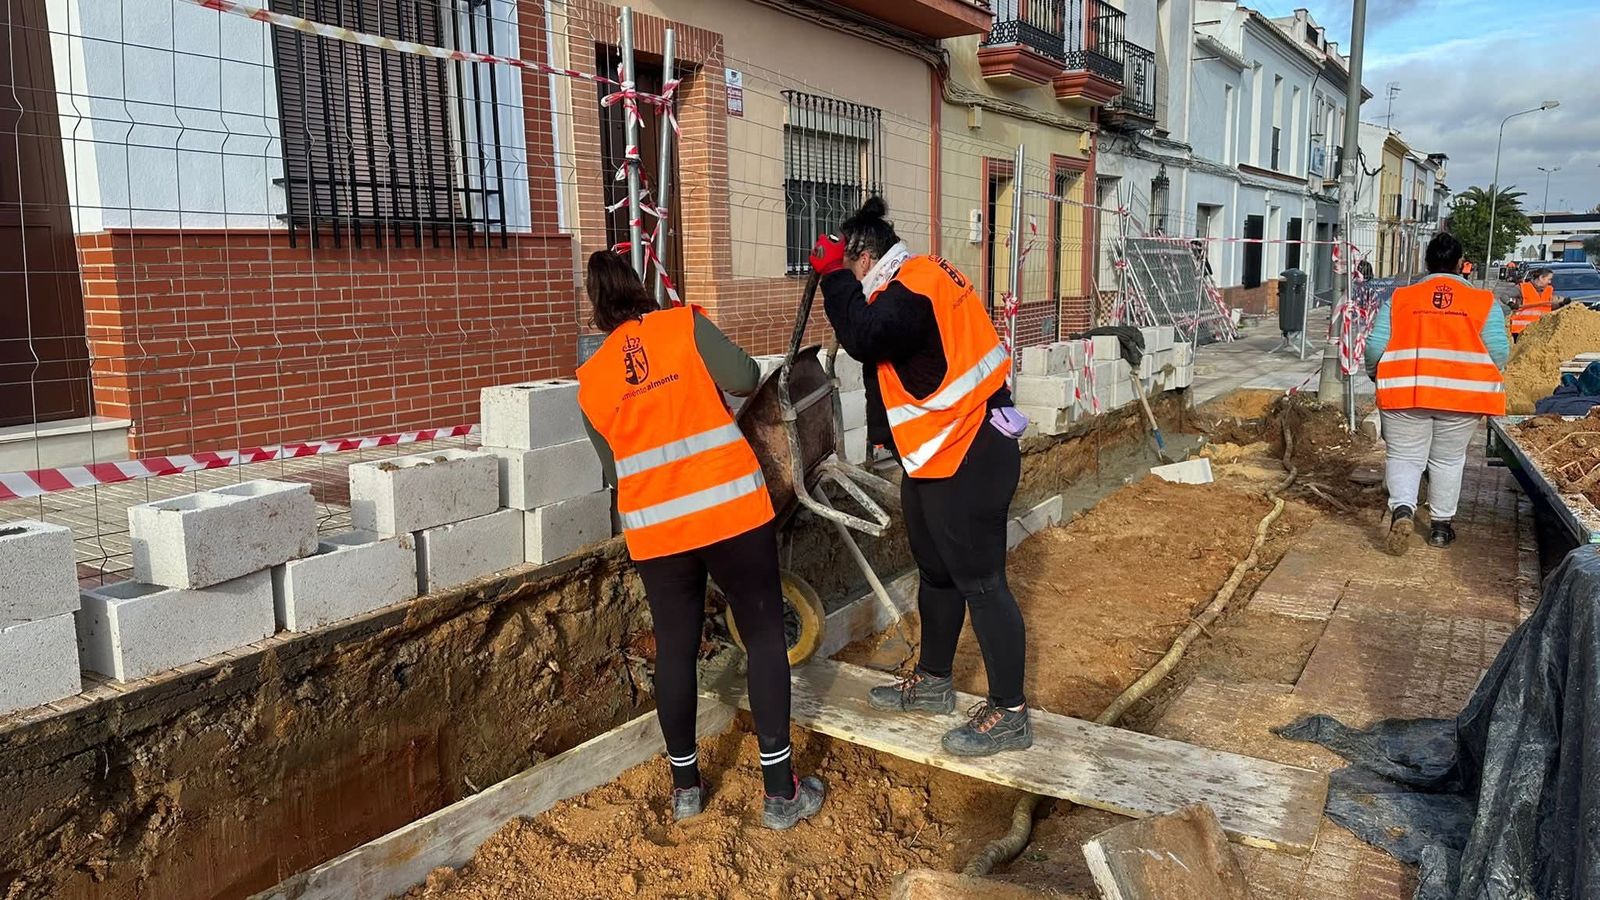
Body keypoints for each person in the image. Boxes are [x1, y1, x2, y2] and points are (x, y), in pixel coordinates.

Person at [574, 251, 825, 829]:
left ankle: (686, 788)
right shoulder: (681, 325)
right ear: (640, 289)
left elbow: (613, 471)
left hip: (658, 533)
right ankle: (779, 794)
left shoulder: (591, 381)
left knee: (676, 649)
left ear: (595, 309)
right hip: (729, 512)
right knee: (763, 636)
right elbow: (743, 378)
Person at [810, 198, 1032, 757]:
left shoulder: (914, 285)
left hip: (971, 451)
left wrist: (832, 278)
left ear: (864, 257)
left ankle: (1010, 713)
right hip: (934, 454)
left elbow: (864, 337)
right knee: (936, 574)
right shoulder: (913, 281)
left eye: (852, 264)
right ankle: (934, 682)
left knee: (982, 583)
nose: (853, 278)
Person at [1364, 233, 1508, 555]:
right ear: (1461, 265)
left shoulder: (1401, 298)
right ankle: (1441, 528)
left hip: (1405, 393)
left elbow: (1375, 346)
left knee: (1404, 457)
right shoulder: (1483, 302)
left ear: (1426, 263)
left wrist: (1375, 371)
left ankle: (1403, 510)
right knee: (1448, 459)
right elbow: (1498, 351)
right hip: (1463, 398)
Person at [1510, 268, 1555, 337]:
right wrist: (1511, 304)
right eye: (1549, 279)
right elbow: (1504, 296)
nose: (1550, 282)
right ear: (1541, 278)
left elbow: (1550, 308)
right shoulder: (1522, 288)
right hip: (1521, 331)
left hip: (1540, 331)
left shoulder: (1549, 290)